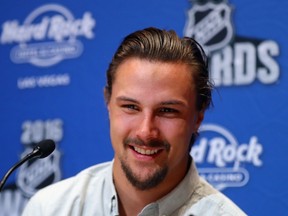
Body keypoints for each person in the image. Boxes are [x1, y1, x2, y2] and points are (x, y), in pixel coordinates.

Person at [22, 27, 247, 216]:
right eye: (131, 107)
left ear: (198, 118)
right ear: (108, 103)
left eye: (167, 110)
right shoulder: (50, 209)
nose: (146, 131)